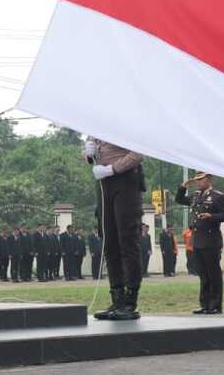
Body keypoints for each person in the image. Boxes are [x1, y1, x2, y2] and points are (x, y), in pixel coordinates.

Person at [84, 135, 144, 321]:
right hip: (104, 182)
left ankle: (129, 301)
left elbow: (139, 153)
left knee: (127, 241)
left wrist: (113, 168)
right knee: (109, 243)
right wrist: (87, 153)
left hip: (125, 180)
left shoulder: (126, 121)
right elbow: (91, 149)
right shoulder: (95, 126)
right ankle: (116, 300)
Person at [175, 172, 224, 314]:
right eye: (197, 180)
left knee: (213, 274)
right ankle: (205, 304)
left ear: (209, 179)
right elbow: (179, 199)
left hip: (211, 240)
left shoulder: (218, 196)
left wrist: (211, 216)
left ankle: (216, 305)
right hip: (197, 240)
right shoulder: (196, 195)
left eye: (201, 179)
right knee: (203, 274)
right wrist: (183, 187)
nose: (199, 182)